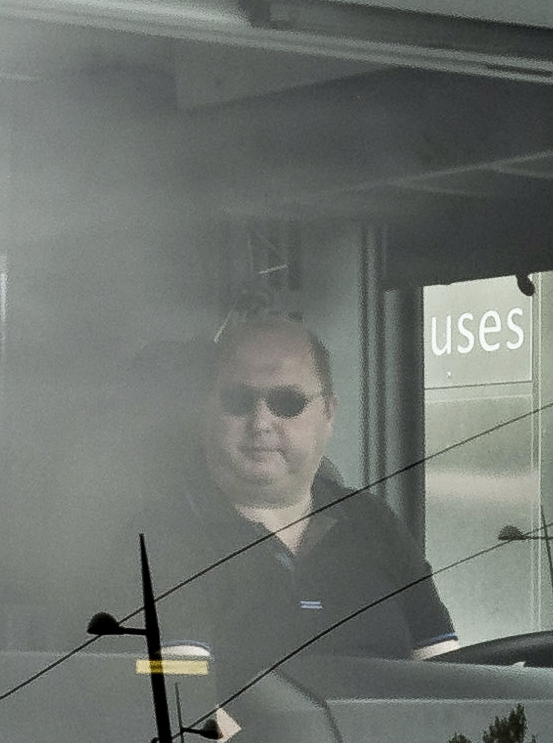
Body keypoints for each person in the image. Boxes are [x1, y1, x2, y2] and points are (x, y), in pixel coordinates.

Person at [156, 306, 448, 716]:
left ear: (328, 413)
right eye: (238, 400)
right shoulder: (160, 538)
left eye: (287, 402)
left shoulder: (376, 524)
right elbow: (188, 712)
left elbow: (452, 681)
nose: (261, 422)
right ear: (209, 410)